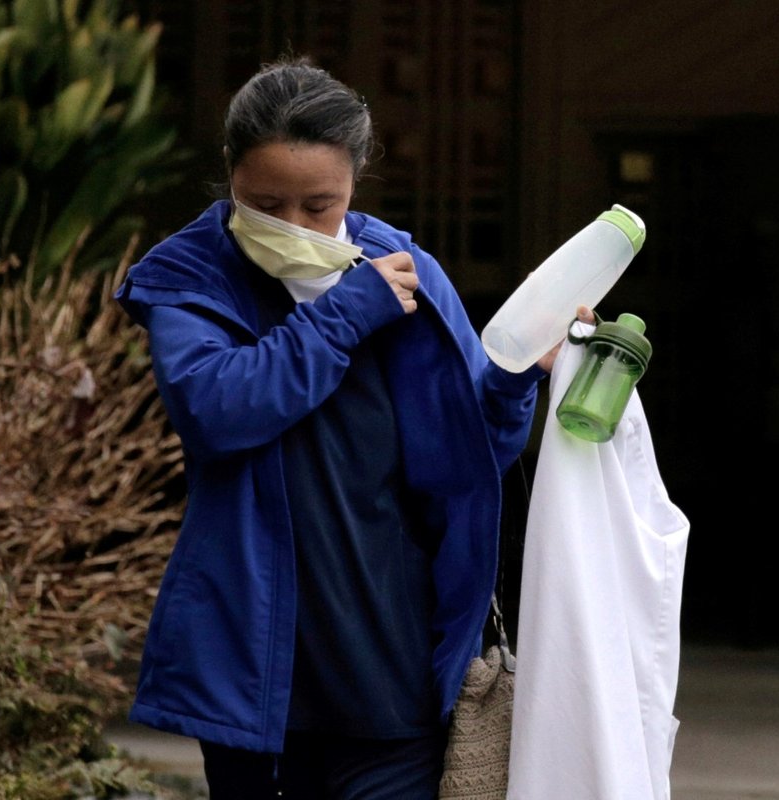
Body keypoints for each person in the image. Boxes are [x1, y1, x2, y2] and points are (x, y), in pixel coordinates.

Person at [115, 56, 590, 799]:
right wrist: (344, 314)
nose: (293, 224)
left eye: (318, 204)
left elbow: (476, 456)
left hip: (394, 669)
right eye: (266, 202)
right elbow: (216, 409)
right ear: (230, 175)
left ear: (356, 183)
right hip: (261, 682)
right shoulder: (190, 276)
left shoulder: (408, 272)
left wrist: (516, 377)